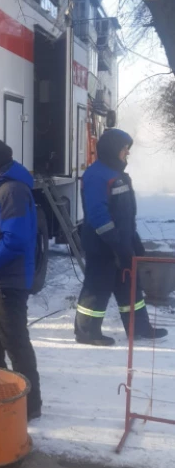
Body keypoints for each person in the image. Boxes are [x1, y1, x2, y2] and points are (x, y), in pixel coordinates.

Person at [75, 128, 167, 345]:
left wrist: (132, 240)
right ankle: (87, 332)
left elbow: (125, 214)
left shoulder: (117, 174)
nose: (127, 153)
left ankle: (140, 328)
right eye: (124, 148)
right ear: (112, 149)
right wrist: (116, 243)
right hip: (102, 245)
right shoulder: (97, 175)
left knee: (128, 285)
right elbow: (98, 215)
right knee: (97, 287)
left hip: (121, 242)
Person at [0, 139, 42, 421]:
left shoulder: (12, 192)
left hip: (6, 281)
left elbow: (15, 240)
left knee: (15, 342)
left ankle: (30, 406)